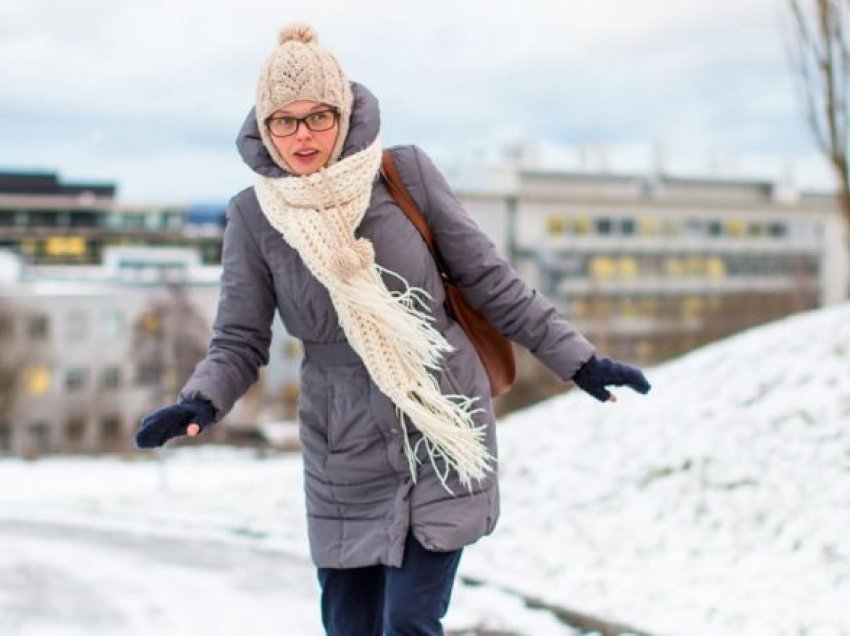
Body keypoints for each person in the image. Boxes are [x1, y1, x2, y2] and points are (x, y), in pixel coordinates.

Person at [134, 22, 651, 636]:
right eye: (285, 121)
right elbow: (239, 341)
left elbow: (491, 281)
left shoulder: (404, 176)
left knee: (408, 620)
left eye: (318, 117)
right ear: (264, 126)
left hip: (440, 421)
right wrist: (199, 400)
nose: (303, 136)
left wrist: (580, 362)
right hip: (343, 447)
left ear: (345, 110)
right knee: (350, 626)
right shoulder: (253, 217)